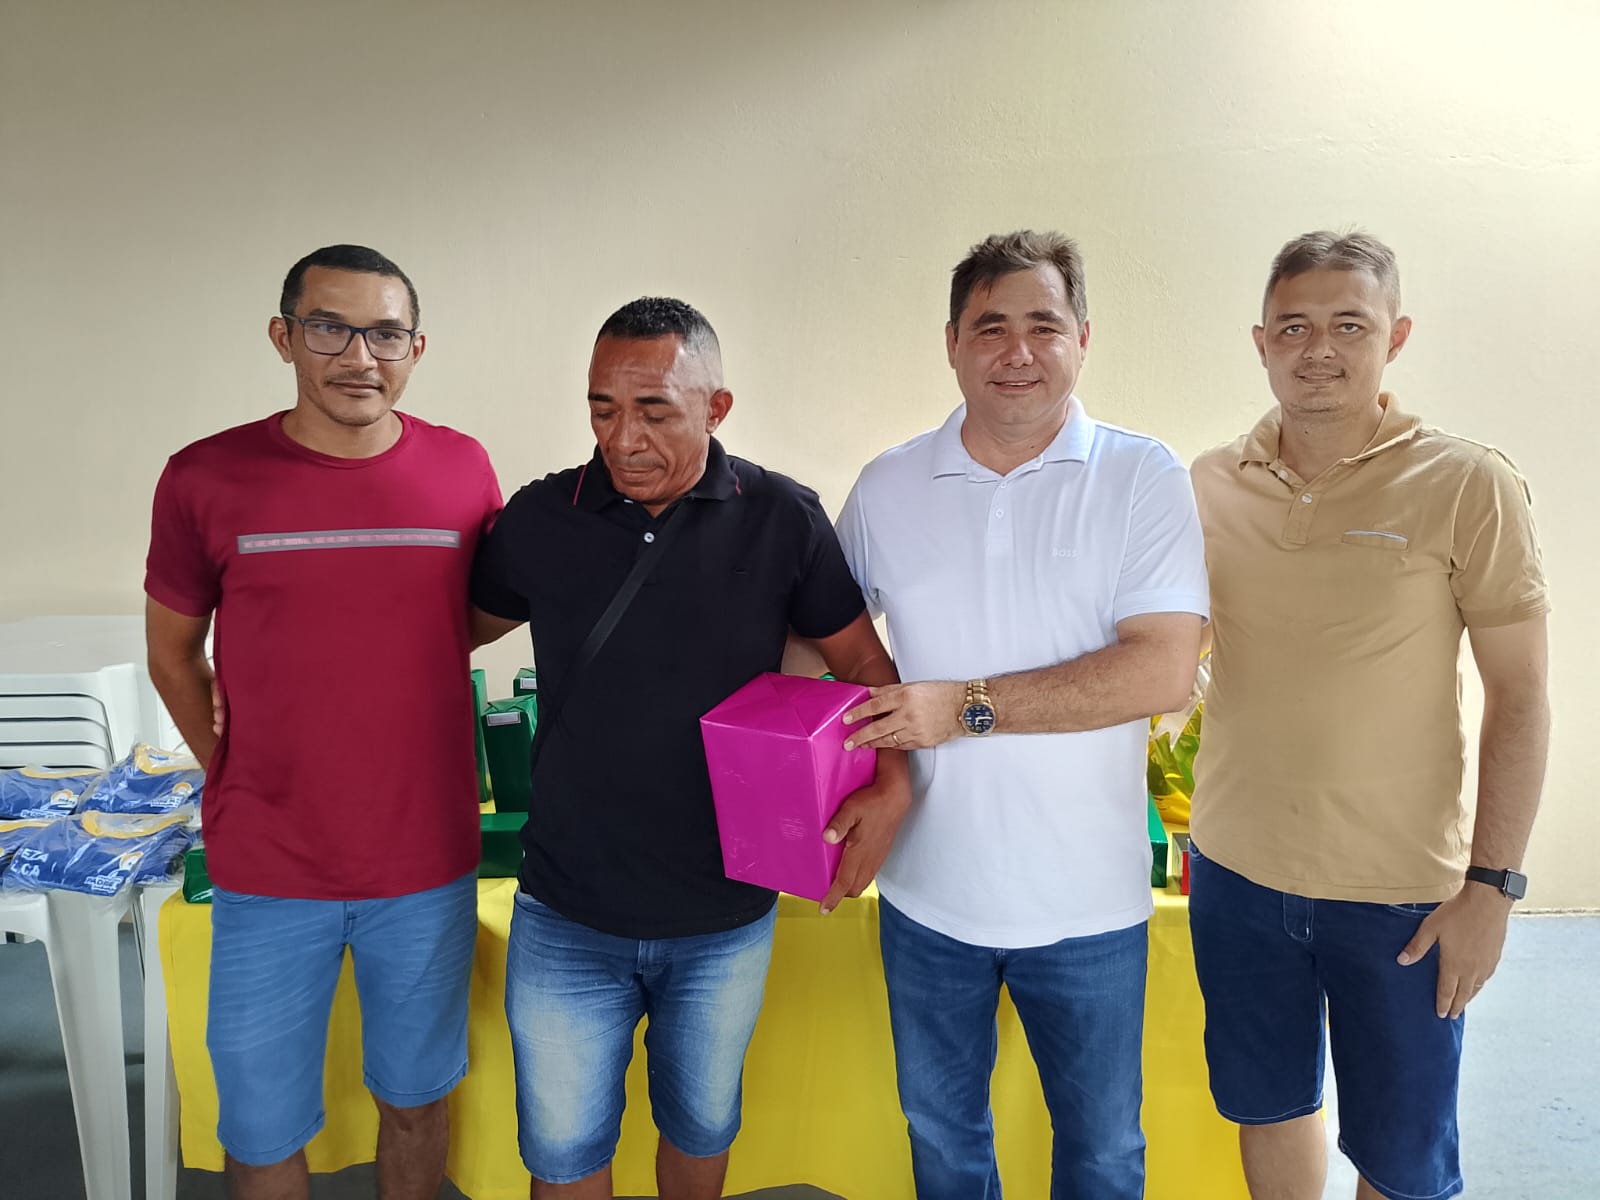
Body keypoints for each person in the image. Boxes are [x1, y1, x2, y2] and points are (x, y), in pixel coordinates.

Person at [468, 296, 910, 1200]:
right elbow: (443, 634)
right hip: (565, 910)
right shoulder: (544, 517)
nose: (622, 439)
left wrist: (893, 781)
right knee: (562, 1155)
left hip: (724, 914)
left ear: (717, 408)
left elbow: (866, 665)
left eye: (655, 411)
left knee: (701, 1133)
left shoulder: (781, 517)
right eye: (602, 410)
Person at [834, 230, 1209, 1198]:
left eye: (1043, 325)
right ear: (951, 344)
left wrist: (963, 708)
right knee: (943, 1144)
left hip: (1088, 903)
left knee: (1102, 1154)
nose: (1017, 351)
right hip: (925, 895)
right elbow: (823, 652)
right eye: (989, 326)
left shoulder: (1142, 476)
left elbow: (1161, 670)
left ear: (1082, 338)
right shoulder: (887, 486)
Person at [1187, 230, 1550, 1200]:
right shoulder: (1209, 484)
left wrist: (1492, 889)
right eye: (1293, 327)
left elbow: (1520, 696)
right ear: (1260, 342)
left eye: (1349, 325)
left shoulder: (1468, 483)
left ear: (1396, 337)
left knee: (1402, 1157)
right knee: (1268, 1106)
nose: (1319, 349)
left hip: (1400, 895)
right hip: (1233, 873)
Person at [144, 244, 501, 1200]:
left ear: (416, 348)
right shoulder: (204, 477)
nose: (358, 357)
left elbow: (465, 616)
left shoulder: (464, 469)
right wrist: (233, 763)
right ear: (284, 336)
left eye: (385, 334)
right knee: (260, 1130)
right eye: (329, 329)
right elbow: (174, 655)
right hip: (269, 864)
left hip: (425, 859)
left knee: (416, 1102)